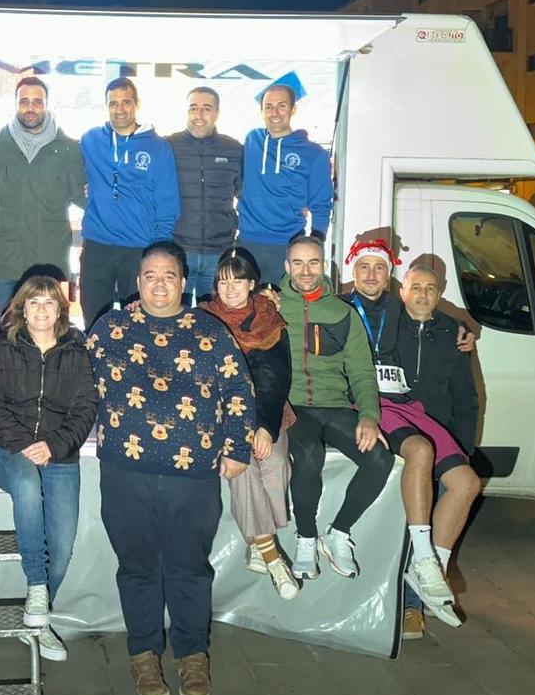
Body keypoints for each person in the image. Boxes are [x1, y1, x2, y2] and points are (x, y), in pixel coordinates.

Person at [87, 242, 254, 695]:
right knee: (137, 568)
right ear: (138, 281)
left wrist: (237, 446)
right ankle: (144, 655)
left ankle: (192, 656)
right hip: (125, 470)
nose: (159, 284)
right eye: (150, 275)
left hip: (193, 474)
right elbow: (74, 380)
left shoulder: (209, 330)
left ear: (183, 282)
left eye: (169, 276)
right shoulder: (110, 328)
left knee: (188, 568)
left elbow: (238, 389)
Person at [343, 244, 480, 633]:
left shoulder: (452, 333)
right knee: (417, 465)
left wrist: (465, 448)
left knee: (466, 483)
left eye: (431, 289)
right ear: (401, 291)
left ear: (441, 294)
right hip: (392, 416)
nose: (422, 295)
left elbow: (467, 399)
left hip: (437, 425)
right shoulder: (386, 318)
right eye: (415, 287)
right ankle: (413, 603)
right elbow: (345, 299)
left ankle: (426, 574)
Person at [0, 273, 98, 661]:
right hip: (6, 449)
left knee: (61, 550)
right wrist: (25, 445)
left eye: (50, 302)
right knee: (27, 482)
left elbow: (86, 409)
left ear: (61, 309)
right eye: (34, 302)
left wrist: (55, 445)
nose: (42, 309)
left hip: (60, 456)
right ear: (21, 309)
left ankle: (39, 619)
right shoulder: (2, 347)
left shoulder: (77, 352)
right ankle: (36, 587)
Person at [279, 235, 393, 581]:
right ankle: (306, 537)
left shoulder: (343, 313)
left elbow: (361, 371)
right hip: (293, 407)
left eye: (313, 263)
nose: (305, 271)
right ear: (287, 267)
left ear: (324, 267)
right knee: (309, 453)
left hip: (336, 406)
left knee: (380, 458)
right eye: (297, 263)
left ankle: (339, 531)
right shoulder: (272, 306)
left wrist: (369, 417)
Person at [198, 247, 298, 600]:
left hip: (268, 410)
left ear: (252, 283)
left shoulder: (269, 318)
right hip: (222, 415)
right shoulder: (203, 318)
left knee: (274, 464)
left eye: (237, 280)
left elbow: (276, 376)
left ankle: (257, 544)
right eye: (223, 281)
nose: (230, 288)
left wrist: (266, 426)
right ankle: (272, 557)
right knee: (241, 467)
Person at [0, 76, 86, 319]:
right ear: (15, 104)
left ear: (47, 105)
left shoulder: (68, 148)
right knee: (3, 328)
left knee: (50, 328)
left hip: (49, 257)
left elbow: (83, 197)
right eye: (24, 101)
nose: (30, 107)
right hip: (7, 257)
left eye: (37, 101)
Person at [78, 77, 179, 326]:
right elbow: (70, 176)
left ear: (137, 104)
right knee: (94, 320)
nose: (119, 109)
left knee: (137, 323)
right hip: (97, 246)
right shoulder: (90, 140)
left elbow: (168, 203)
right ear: (106, 106)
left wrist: (157, 250)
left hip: (138, 248)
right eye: (113, 103)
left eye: (126, 102)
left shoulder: (158, 147)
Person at [236, 81, 334, 286]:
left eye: (282, 105)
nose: (275, 113)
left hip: (287, 244)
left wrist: (316, 240)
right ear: (261, 111)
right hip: (247, 242)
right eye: (268, 107)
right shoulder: (252, 139)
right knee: (245, 309)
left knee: (282, 310)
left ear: (293, 108)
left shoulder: (314, 154)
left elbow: (322, 203)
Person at [166, 87, 243, 304]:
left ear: (217, 112)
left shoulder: (233, 149)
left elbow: (250, 194)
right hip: (179, 251)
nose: (199, 115)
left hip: (219, 251)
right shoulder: (168, 146)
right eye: (193, 108)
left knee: (213, 320)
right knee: (176, 320)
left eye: (206, 109)